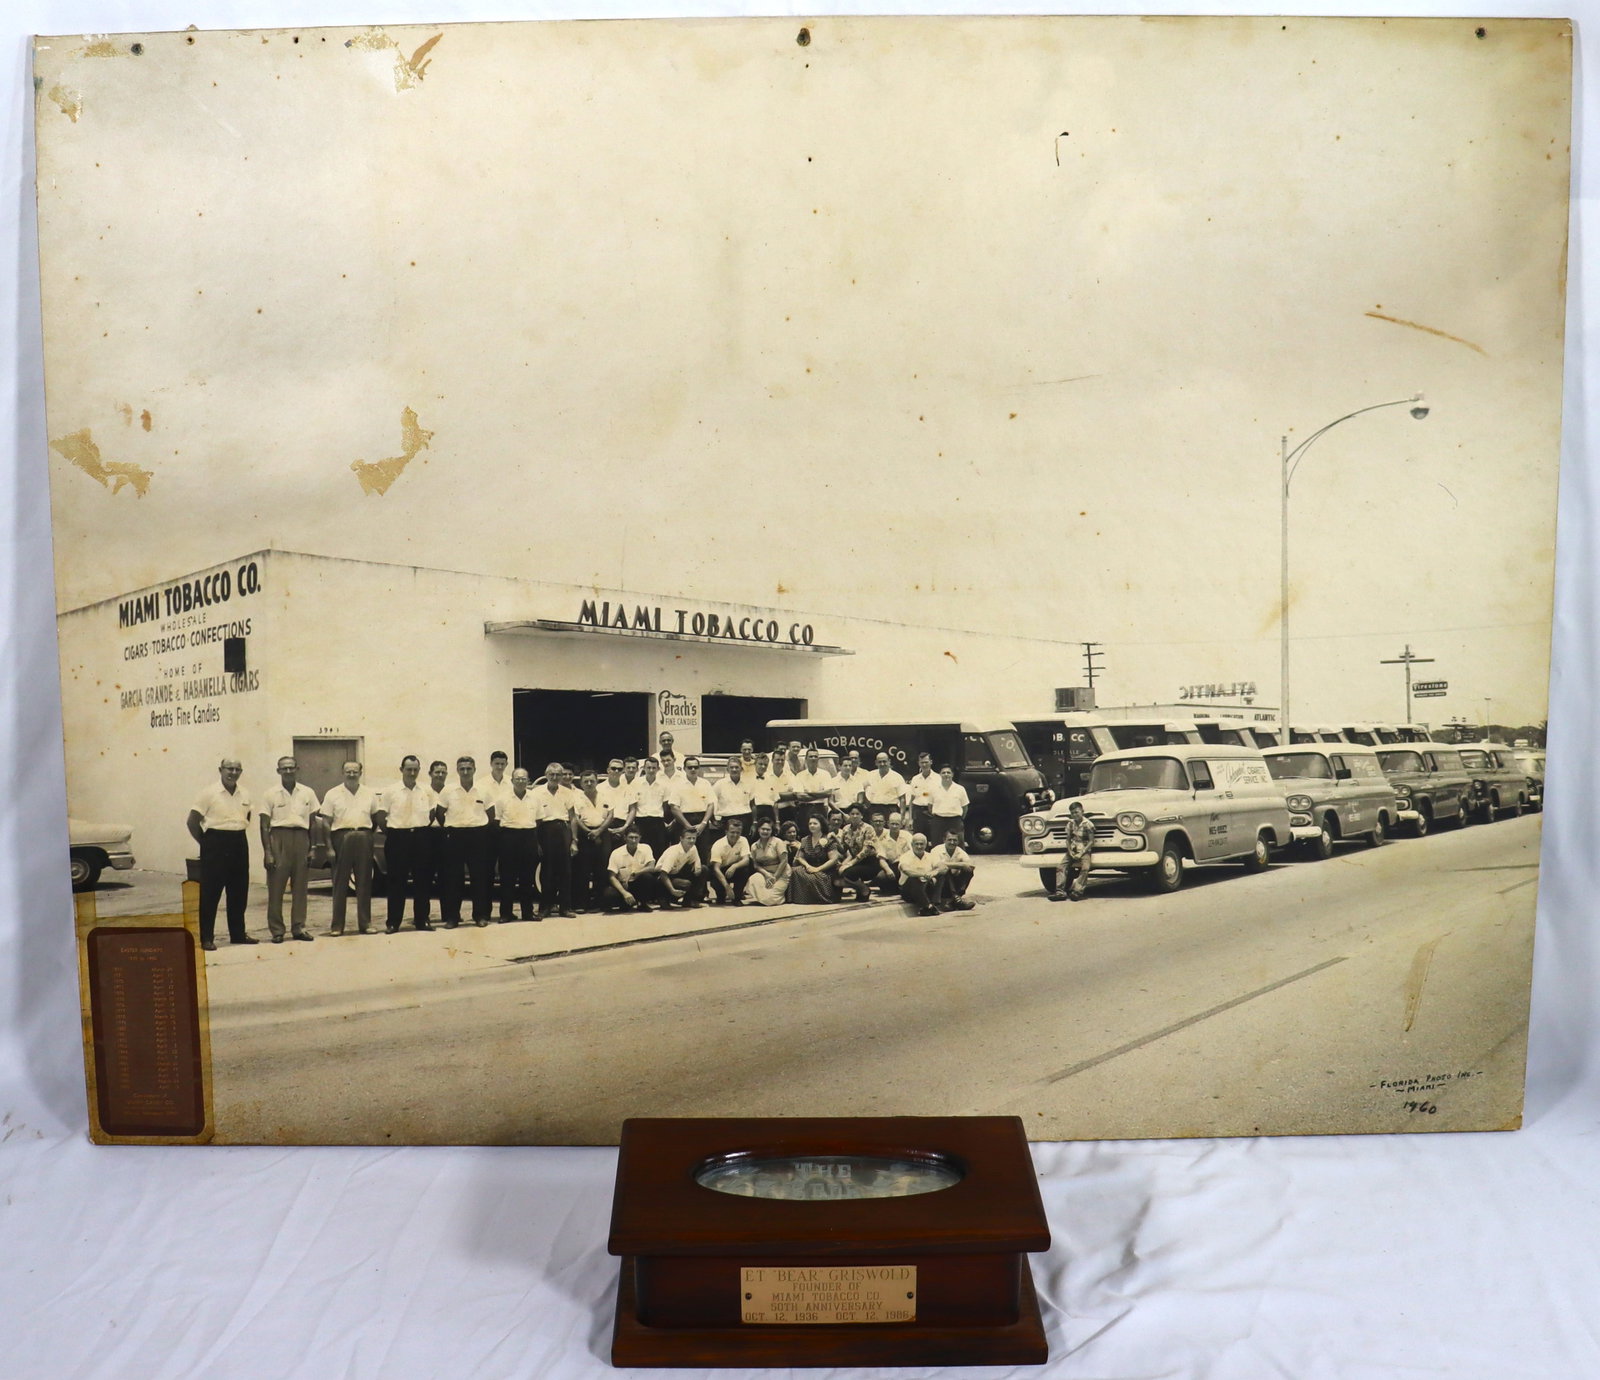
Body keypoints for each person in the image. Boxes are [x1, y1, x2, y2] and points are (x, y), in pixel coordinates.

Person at [186, 758, 257, 951]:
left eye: (237, 769)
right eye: (229, 769)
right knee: (210, 893)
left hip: (239, 843)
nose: (233, 772)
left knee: (239, 891)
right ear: (220, 770)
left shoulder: (245, 793)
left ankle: (238, 934)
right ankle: (207, 938)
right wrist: (207, 844)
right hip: (215, 844)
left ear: (241, 772)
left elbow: (247, 817)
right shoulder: (208, 793)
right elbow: (192, 822)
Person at [319, 760, 381, 935]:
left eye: (355, 771)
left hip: (363, 836)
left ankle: (365, 923)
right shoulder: (332, 794)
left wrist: (367, 834)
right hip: (341, 837)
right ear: (343, 772)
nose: (351, 774)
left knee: (364, 883)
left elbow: (375, 818)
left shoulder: (369, 793)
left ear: (360, 773)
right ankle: (337, 926)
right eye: (348, 771)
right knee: (340, 884)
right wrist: (329, 847)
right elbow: (325, 823)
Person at [259, 754, 317, 943]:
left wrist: (313, 847)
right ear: (278, 771)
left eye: (292, 767)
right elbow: (264, 825)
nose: (288, 771)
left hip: (301, 838)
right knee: (276, 888)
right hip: (279, 839)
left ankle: (299, 928)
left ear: (297, 769)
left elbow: (313, 822)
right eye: (284, 768)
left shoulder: (307, 792)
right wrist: (268, 851)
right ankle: (277, 930)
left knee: (300, 887)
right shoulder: (270, 794)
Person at [376, 755, 434, 932]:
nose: (412, 773)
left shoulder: (426, 790)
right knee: (396, 882)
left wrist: (419, 831)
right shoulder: (390, 791)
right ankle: (393, 922)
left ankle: (422, 920)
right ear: (401, 770)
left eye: (415, 769)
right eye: (409, 769)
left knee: (422, 881)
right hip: (397, 838)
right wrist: (395, 833)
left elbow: (431, 815)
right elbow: (380, 817)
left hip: (421, 837)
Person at [439, 756, 495, 927]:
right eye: (462, 769)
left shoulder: (483, 790)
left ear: (474, 770)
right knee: (453, 878)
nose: (465, 772)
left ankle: (480, 916)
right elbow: (440, 814)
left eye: (468, 769)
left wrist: (480, 829)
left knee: (479, 877)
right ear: (457, 770)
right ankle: (452, 917)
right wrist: (451, 828)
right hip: (455, 836)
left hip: (477, 836)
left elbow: (491, 814)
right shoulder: (448, 791)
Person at [531, 762, 579, 918]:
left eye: (558, 774)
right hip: (545, 830)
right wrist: (536, 841)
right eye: (552, 774)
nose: (555, 777)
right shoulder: (537, 792)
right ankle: (545, 907)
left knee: (565, 871)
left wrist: (574, 840)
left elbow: (572, 817)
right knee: (547, 871)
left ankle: (565, 908)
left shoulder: (567, 792)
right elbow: (534, 818)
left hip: (563, 829)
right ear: (546, 775)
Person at [494, 768, 542, 921]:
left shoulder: (535, 798)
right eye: (517, 778)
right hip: (509, 837)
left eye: (523, 779)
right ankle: (505, 913)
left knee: (527, 878)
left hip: (528, 837)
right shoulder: (502, 798)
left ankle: (527, 912)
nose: (521, 781)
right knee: (507, 878)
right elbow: (497, 820)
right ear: (512, 780)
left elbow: (539, 820)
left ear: (528, 781)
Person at [572, 770, 615, 911]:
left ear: (597, 781)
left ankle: (599, 903)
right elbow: (576, 818)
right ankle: (581, 904)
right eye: (586, 781)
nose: (589, 784)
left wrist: (599, 831)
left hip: (603, 833)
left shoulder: (605, 796)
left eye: (592, 781)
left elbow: (610, 815)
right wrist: (588, 831)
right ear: (581, 783)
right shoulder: (576, 798)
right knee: (582, 869)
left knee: (601, 869)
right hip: (585, 834)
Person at [483, 750, 515, 922]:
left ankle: (506, 912)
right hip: (488, 829)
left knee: (507, 872)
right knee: (486, 873)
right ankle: (485, 913)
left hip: (506, 830)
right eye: (497, 764)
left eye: (503, 764)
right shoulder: (482, 783)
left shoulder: (512, 782)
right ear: (491, 763)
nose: (500, 767)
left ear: (507, 764)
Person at [669, 756, 720, 865]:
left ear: (699, 768)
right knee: (683, 855)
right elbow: (674, 807)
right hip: (684, 821)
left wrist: (704, 823)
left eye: (695, 767)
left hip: (702, 821)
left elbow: (710, 804)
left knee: (702, 854)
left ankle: (701, 881)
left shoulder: (705, 783)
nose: (693, 770)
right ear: (684, 769)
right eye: (690, 767)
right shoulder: (678, 785)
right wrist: (687, 825)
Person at [604, 828, 662, 912]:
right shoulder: (616, 853)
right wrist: (624, 893)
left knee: (648, 877)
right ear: (625, 838)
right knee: (609, 894)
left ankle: (642, 903)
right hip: (623, 885)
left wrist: (636, 873)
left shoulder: (646, 848)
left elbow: (651, 867)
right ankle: (625, 903)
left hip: (638, 883)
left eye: (636, 837)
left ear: (640, 838)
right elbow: (612, 877)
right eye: (631, 837)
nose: (634, 840)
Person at [788, 815, 840, 905]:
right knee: (794, 871)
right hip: (810, 868)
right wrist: (808, 866)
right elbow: (800, 857)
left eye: (815, 823)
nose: (812, 825)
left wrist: (817, 869)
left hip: (825, 871)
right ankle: (804, 898)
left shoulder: (828, 839)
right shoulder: (805, 840)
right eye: (810, 824)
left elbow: (833, 859)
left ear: (821, 825)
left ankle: (820, 898)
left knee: (813, 877)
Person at [1050, 800, 1095, 902]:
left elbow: (1091, 841)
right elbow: (1068, 839)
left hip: (1084, 850)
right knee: (1061, 867)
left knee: (1085, 868)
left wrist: (1082, 852)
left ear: (1082, 811)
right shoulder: (1070, 824)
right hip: (1073, 849)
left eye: (1077, 812)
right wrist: (1070, 851)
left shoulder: (1088, 824)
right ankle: (1060, 892)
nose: (1075, 815)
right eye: (1072, 813)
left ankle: (1077, 891)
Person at [836, 806, 880, 902]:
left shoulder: (868, 828)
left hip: (870, 862)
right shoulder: (846, 829)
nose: (855, 816)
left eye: (857, 814)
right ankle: (860, 888)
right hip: (855, 862)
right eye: (852, 814)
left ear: (862, 816)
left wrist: (850, 863)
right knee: (838, 873)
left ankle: (864, 889)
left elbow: (866, 850)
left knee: (847, 873)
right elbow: (843, 849)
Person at [744, 819, 791, 906]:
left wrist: (774, 877)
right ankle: (766, 896)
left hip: (781, 873)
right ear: (758, 829)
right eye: (763, 829)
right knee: (754, 879)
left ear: (772, 831)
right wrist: (767, 874)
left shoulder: (778, 842)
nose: (765, 831)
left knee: (769, 899)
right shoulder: (754, 846)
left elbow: (784, 861)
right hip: (765, 873)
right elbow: (756, 865)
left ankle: (779, 897)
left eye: (768, 829)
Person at [708, 817, 754, 905]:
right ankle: (721, 894)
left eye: (738, 833)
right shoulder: (718, 844)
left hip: (734, 868)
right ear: (726, 832)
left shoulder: (743, 840)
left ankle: (737, 896)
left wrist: (734, 866)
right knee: (720, 898)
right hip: (720, 871)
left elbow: (746, 860)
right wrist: (727, 887)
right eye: (732, 832)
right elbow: (716, 869)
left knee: (746, 868)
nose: (735, 835)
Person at [655, 830, 707, 908]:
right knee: (685, 883)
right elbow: (663, 874)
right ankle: (664, 898)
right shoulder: (673, 852)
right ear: (681, 838)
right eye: (689, 838)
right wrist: (672, 890)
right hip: (661, 878)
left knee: (703, 869)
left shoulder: (693, 848)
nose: (692, 841)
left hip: (676, 872)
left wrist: (697, 868)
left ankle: (690, 901)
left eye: (694, 838)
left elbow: (697, 862)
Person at [631, 757, 669, 856]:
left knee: (659, 851)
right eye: (648, 768)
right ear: (644, 768)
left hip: (657, 822)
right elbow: (633, 805)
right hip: (640, 821)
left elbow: (665, 805)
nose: (651, 770)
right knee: (641, 851)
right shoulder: (636, 783)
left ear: (658, 769)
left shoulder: (664, 784)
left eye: (653, 768)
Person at [896, 834, 942, 917]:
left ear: (926, 844)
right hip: (909, 891)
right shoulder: (906, 856)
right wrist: (924, 874)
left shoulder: (931, 856)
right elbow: (906, 870)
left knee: (941, 874)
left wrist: (933, 873)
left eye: (921, 844)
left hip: (926, 887)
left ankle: (932, 904)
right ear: (912, 844)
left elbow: (943, 867)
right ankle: (928, 905)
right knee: (914, 878)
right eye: (917, 844)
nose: (919, 847)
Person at [931, 831, 977, 911]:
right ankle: (956, 899)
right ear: (944, 840)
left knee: (968, 871)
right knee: (945, 869)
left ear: (958, 841)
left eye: (955, 840)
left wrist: (964, 865)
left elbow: (971, 865)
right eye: (949, 840)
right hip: (940, 884)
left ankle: (955, 899)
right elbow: (938, 865)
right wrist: (961, 864)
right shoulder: (936, 850)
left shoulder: (960, 851)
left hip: (954, 883)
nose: (952, 842)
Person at [790, 750, 833, 833]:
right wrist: (820, 794)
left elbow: (828, 793)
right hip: (805, 809)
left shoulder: (825, 774)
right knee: (805, 833)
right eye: (810, 756)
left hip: (820, 808)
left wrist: (809, 792)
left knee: (821, 833)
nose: (813, 758)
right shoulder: (800, 775)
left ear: (818, 759)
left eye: (815, 756)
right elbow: (800, 796)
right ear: (806, 759)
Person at [714, 757, 755, 841]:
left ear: (741, 769)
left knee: (744, 844)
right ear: (727, 769)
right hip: (726, 820)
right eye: (731, 767)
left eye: (737, 767)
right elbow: (711, 802)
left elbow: (753, 804)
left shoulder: (748, 784)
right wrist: (713, 820)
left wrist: (754, 823)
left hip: (745, 819)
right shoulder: (719, 784)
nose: (734, 769)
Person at [928, 765, 971, 844]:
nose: (946, 774)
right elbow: (930, 807)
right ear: (940, 775)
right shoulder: (933, 789)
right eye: (943, 773)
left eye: (948, 772)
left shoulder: (960, 789)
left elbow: (965, 807)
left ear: (952, 774)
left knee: (958, 845)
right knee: (937, 845)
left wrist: (959, 818)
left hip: (955, 821)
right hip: (938, 821)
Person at [874, 811, 912, 895]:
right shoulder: (883, 838)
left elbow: (914, 852)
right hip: (893, 866)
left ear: (901, 825)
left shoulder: (907, 835)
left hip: (907, 865)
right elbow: (881, 858)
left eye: (897, 824)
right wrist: (888, 870)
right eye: (892, 824)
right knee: (881, 878)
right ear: (888, 824)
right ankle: (896, 888)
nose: (894, 826)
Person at [863, 752, 910, 820]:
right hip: (873, 809)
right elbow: (862, 790)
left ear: (889, 761)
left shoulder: (897, 777)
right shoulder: (870, 775)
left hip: (890, 809)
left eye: (884, 761)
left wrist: (902, 817)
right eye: (880, 762)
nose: (882, 764)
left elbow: (902, 799)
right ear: (876, 763)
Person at [906, 752, 939, 842]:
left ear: (931, 762)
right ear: (918, 763)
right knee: (918, 840)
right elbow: (911, 801)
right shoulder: (915, 779)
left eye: (926, 762)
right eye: (922, 762)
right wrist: (910, 819)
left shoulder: (938, 779)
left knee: (933, 840)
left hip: (932, 813)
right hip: (918, 814)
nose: (924, 765)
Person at [747, 752, 780, 835]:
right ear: (755, 764)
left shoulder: (771, 779)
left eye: (765, 765)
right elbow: (750, 802)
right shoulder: (747, 780)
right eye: (760, 764)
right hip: (755, 812)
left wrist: (777, 822)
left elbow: (775, 802)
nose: (763, 767)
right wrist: (753, 822)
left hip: (769, 812)